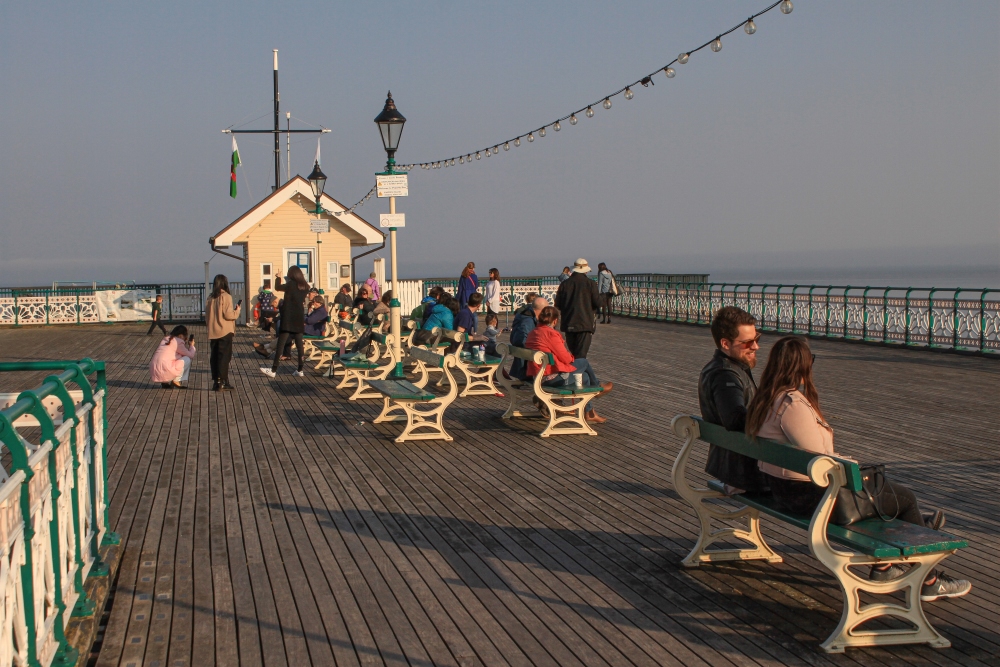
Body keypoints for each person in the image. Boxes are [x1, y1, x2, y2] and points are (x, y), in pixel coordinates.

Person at [746, 336, 971, 601]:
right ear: (803, 366)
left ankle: (886, 565)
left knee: (889, 498)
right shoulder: (791, 404)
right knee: (905, 499)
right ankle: (929, 579)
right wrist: (850, 466)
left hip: (784, 491)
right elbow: (821, 460)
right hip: (812, 499)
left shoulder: (764, 399)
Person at [699, 306, 768, 494]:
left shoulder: (724, 368)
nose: (756, 346)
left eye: (756, 339)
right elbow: (734, 418)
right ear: (725, 343)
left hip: (733, 464)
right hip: (745, 473)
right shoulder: (725, 375)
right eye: (747, 343)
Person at [525, 306, 612, 423]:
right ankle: (597, 387)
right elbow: (566, 358)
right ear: (555, 320)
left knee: (584, 377)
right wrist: (571, 357)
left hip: (538, 377)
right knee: (583, 362)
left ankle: (589, 412)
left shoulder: (533, 332)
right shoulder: (550, 334)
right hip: (550, 379)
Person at [261, 266, 309, 378]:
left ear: (291, 275)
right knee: (299, 345)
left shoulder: (290, 285)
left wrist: (278, 278)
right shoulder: (306, 286)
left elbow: (277, 287)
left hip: (288, 318)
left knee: (281, 344)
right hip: (299, 317)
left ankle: (273, 370)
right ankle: (300, 369)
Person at [555, 258, 602, 359]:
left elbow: (558, 304)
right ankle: (579, 369)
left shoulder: (565, 284)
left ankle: (575, 368)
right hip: (585, 323)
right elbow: (598, 303)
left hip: (569, 323)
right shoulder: (590, 283)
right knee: (581, 356)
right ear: (586, 270)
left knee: (574, 354)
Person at [205, 274, 241, 391]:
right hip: (225, 330)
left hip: (213, 331)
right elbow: (228, 315)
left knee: (215, 357)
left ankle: (216, 381)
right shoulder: (226, 296)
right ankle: (223, 381)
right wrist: (237, 311)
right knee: (224, 357)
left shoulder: (210, 298)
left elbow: (207, 316)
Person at [509, 295, 546, 380]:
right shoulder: (528, 320)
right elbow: (523, 339)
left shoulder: (524, 314)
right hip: (524, 355)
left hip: (518, 350)